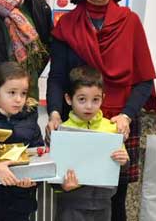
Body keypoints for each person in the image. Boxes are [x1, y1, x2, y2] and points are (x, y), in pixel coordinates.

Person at [45, 0, 156, 221]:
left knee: (115, 201)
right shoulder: (66, 25)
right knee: (71, 195)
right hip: (77, 126)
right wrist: (54, 113)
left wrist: (126, 115)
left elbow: (144, 81)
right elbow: (58, 77)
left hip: (119, 124)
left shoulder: (130, 22)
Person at [55, 66, 129, 221]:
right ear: (69, 99)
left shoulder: (111, 128)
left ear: (103, 98)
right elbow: (53, 172)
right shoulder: (62, 131)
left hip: (103, 205)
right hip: (71, 206)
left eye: (95, 100)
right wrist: (62, 186)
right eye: (82, 99)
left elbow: (122, 168)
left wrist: (124, 161)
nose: (89, 106)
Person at [0, 61, 44, 221]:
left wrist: (33, 180)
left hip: (21, 201)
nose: (19, 99)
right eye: (12, 92)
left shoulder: (30, 119)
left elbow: (38, 152)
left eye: (23, 93)